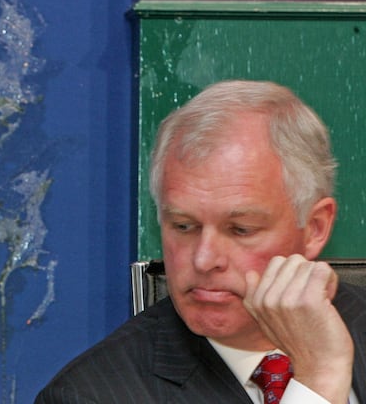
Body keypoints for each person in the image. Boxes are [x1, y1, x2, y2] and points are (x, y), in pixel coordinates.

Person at [36, 79, 366, 403]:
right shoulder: (89, 395)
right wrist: (319, 379)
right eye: (183, 226)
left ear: (315, 228)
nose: (204, 259)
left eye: (241, 229)